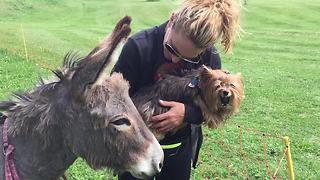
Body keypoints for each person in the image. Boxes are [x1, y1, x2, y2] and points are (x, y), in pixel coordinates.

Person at [111, 0, 240, 179]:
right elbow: (112, 101)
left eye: (188, 58)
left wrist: (185, 113)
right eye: (172, 48)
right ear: (172, 20)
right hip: (135, 150)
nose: (173, 60)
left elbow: (214, 108)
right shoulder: (138, 47)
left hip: (178, 149)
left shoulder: (210, 57)